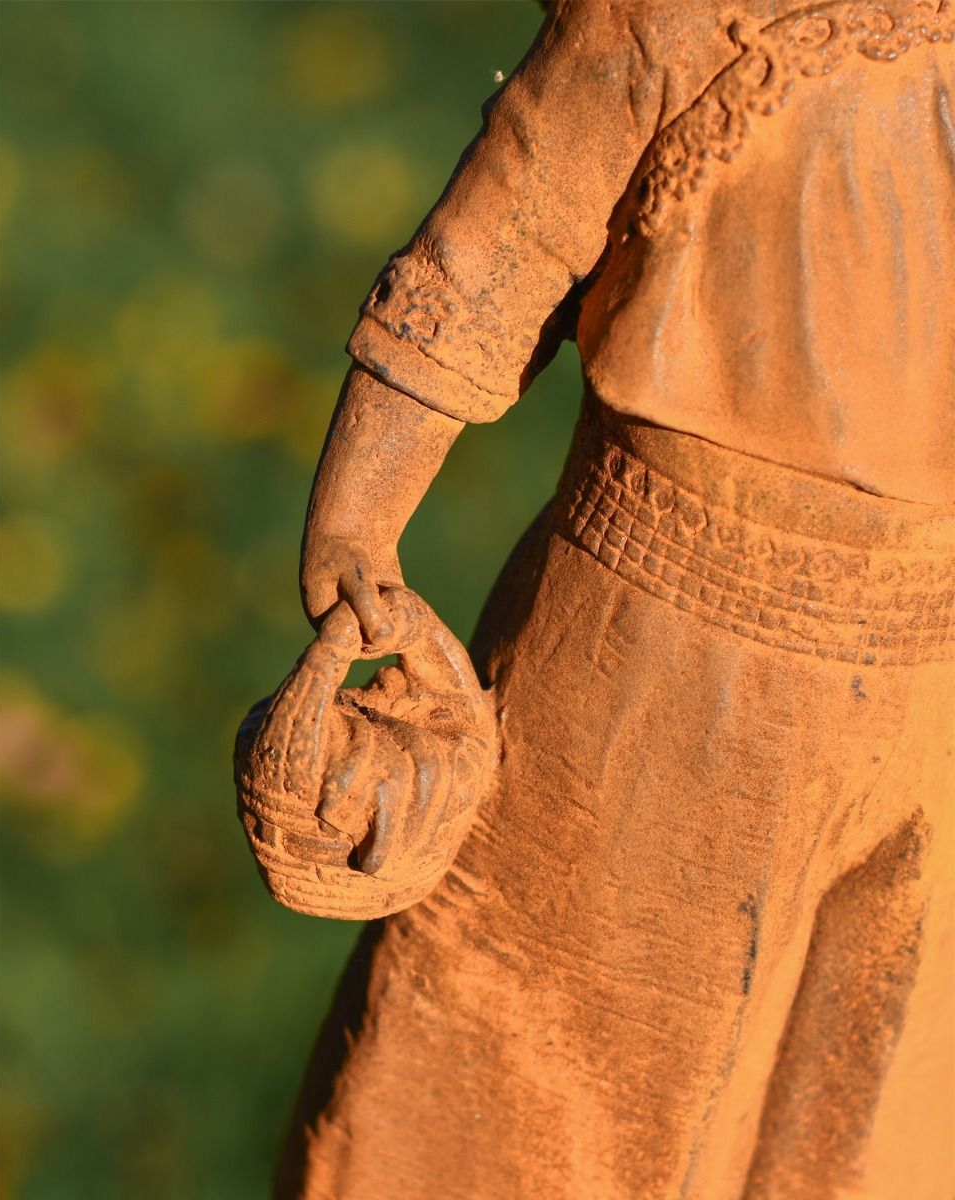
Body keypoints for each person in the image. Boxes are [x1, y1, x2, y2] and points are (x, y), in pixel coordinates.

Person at [268, 2, 954, 1196]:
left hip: (930, 675)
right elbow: (505, 230)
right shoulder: (673, 16)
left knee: (851, 1113)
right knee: (559, 1081)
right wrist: (359, 516)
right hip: (674, 659)